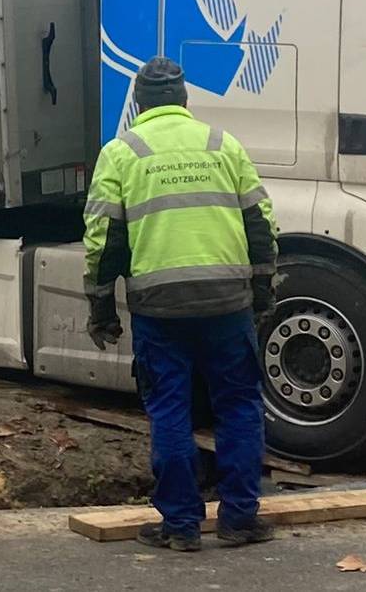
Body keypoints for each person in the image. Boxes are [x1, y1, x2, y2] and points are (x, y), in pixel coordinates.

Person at [83, 56, 279, 553]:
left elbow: (104, 241)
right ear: (185, 101)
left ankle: (181, 526)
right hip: (225, 302)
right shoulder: (222, 144)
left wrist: (101, 308)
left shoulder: (121, 152)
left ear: (139, 105)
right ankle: (239, 519)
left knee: (169, 408)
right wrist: (262, 293)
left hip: (160, 308)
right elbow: (261, 226)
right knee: (238, 405)